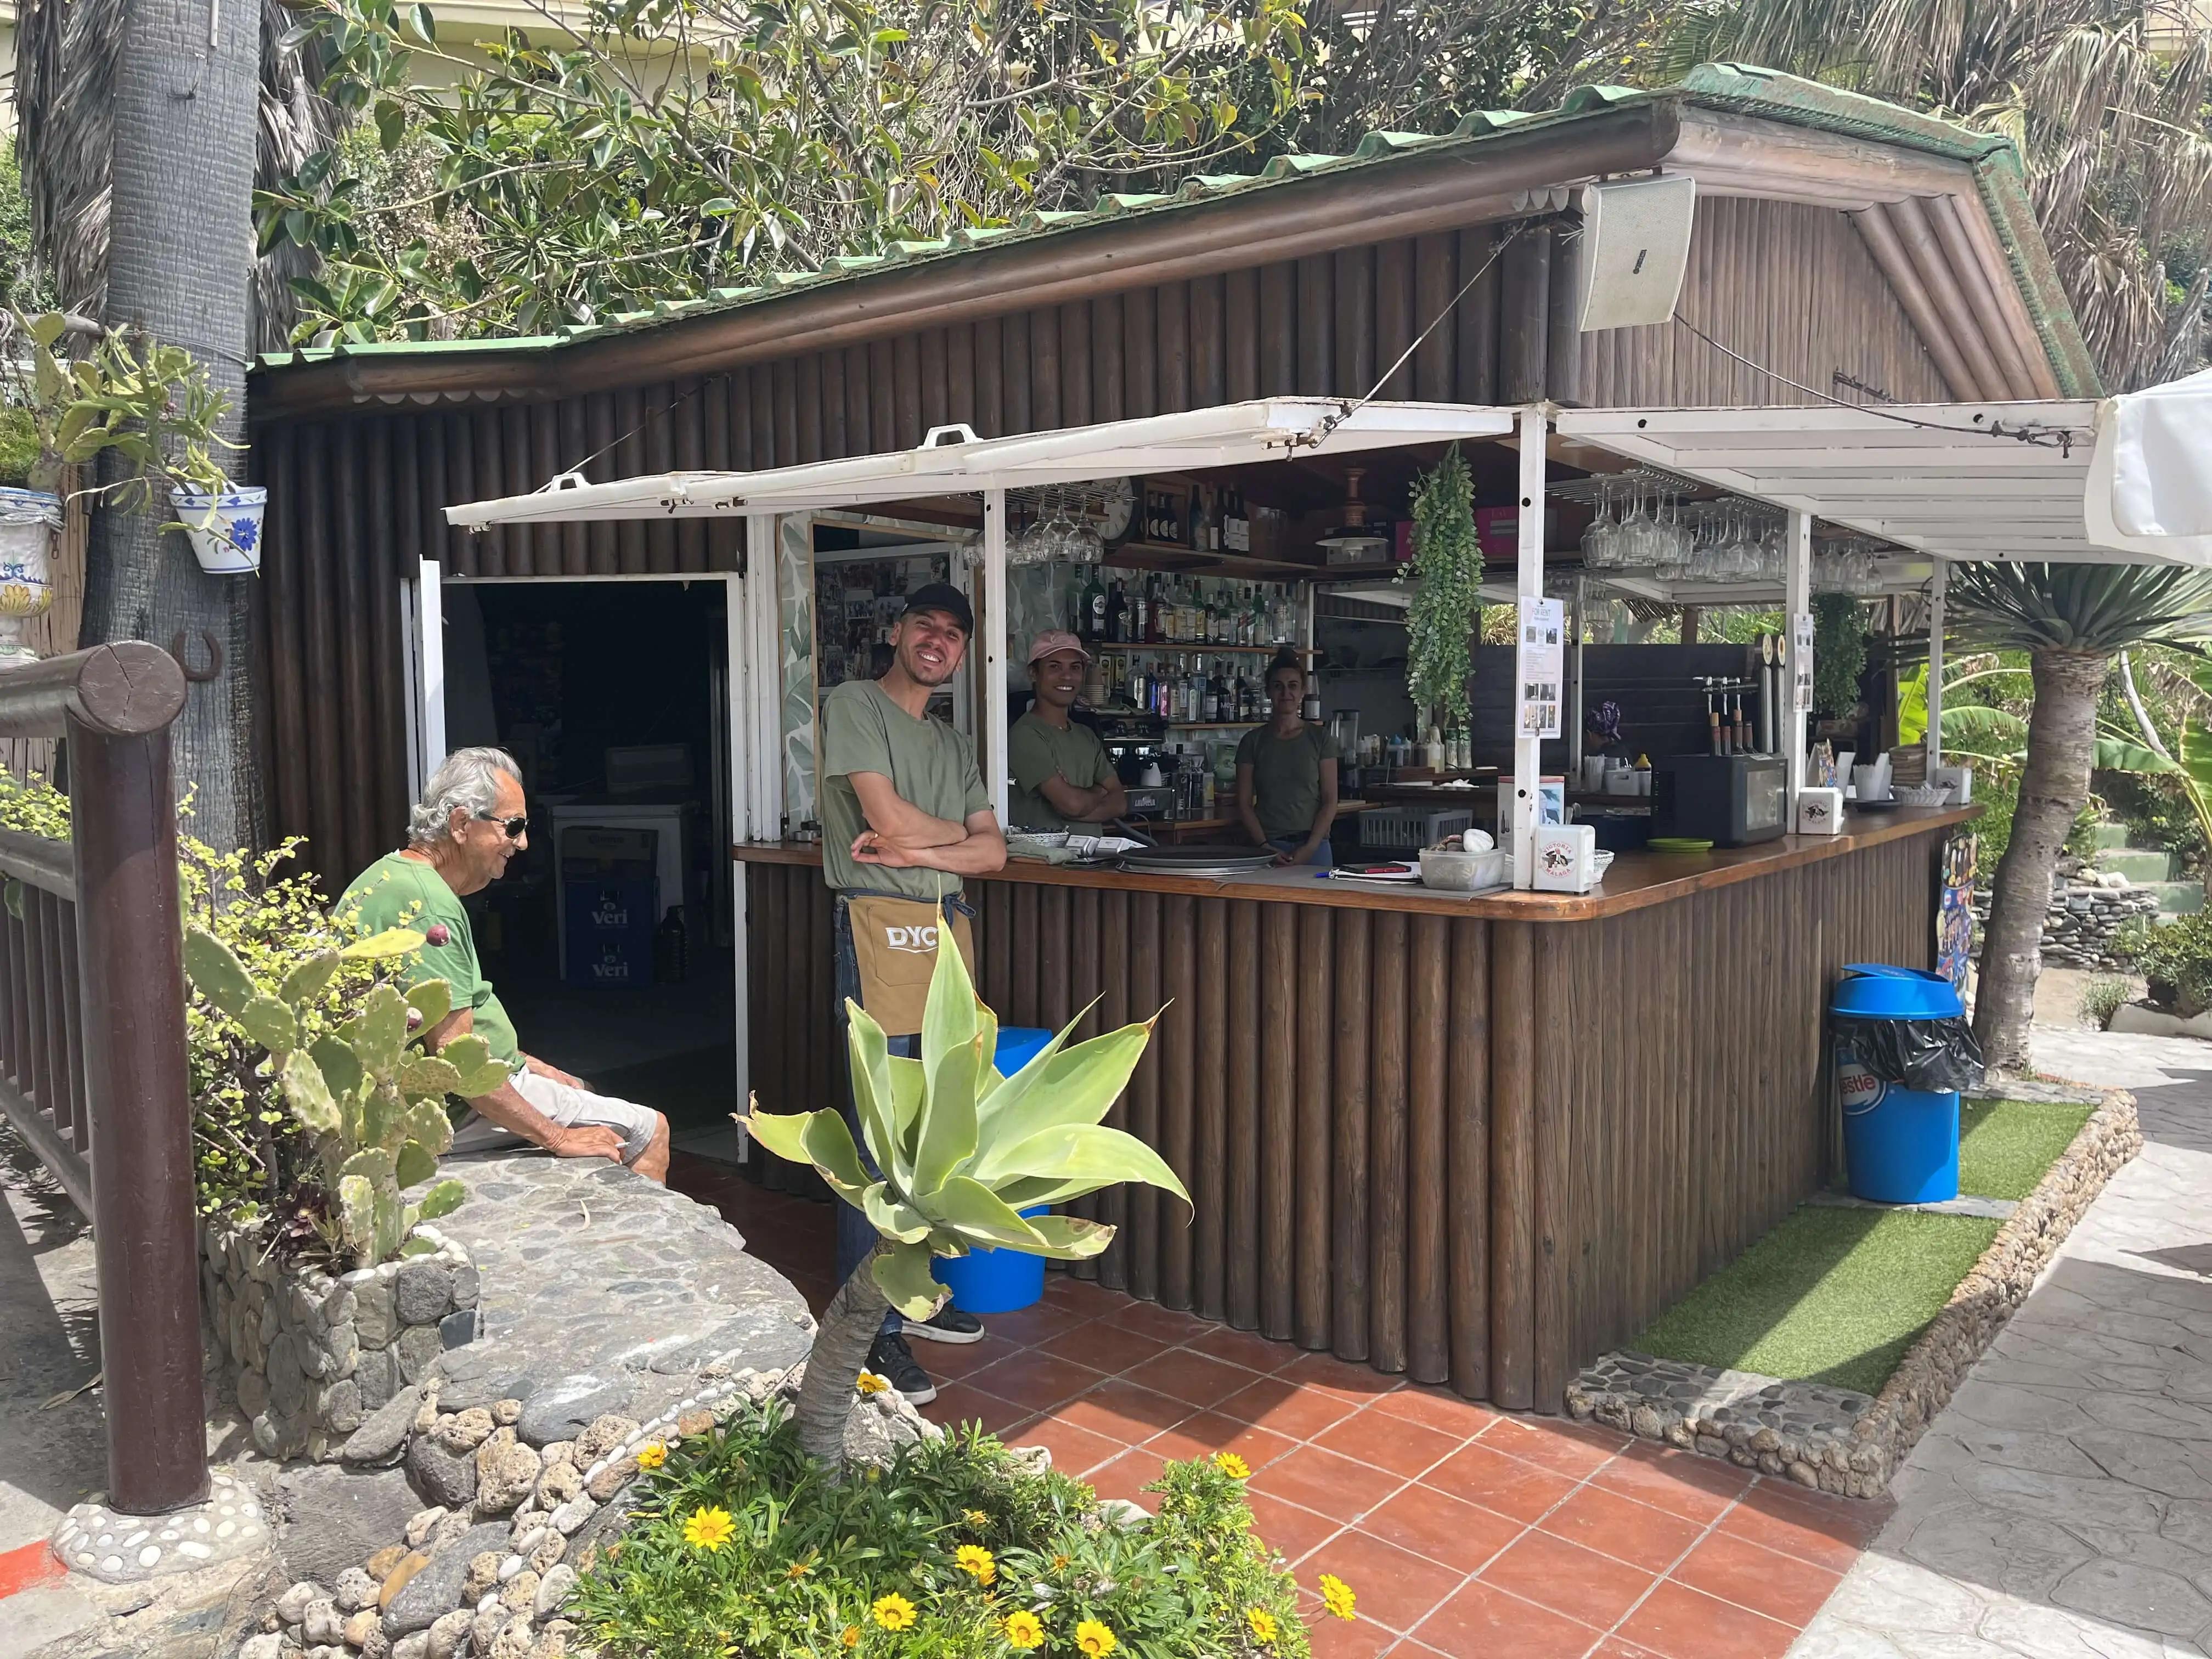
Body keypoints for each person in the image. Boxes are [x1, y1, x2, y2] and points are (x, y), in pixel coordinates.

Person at [818, 580, 1007, 1404]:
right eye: (925, 626)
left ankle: (916, 1294)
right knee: (877, 1135)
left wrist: (925, 850)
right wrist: (948, 838)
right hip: (874, 925)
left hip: (944, 927)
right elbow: (883, 822)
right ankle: (874, 1330)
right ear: (896, 632)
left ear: (963, 653)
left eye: (953, 633)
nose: (938, 640)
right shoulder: (853, 704)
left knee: (935, 1127)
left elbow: (995, 854)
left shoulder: (953, 743)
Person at [339, 747, 673, 1182]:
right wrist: (557, 1138)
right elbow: (456, 1061)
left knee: (580, 1088)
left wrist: (531, 1065)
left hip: (444, 1093)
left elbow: (443, 1032)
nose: (523, 843)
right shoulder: (428, 909)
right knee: (649, 1129)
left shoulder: (391, 876)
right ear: (461, 824)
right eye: (513, 826)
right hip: (451, 1111)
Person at [1007, 631, 1128, 834]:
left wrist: (1076, 805)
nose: (1067, 676)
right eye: (1054, 667)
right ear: (1033, 674)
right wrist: (1099, 791)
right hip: (1047, 863)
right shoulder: (1025, 735)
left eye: (1075, 667)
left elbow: (1120, 804)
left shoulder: (1086, 735)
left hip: (1092, 861)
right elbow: (1071, 804)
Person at [1234, 652, 1339, 867]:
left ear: (1303, 692)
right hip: (1269, 846)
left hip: (1315, 846)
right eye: (1278, 686)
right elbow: (1244, 803)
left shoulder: (1320, 738)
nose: (1286, 693)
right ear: (1268, 692)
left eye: (1293, 686)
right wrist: (1264, 846)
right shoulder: (1252, 741)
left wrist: (1310, 847)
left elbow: (1330, 801)